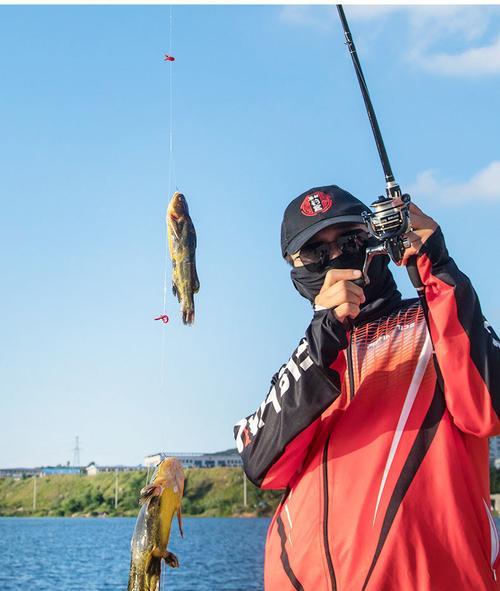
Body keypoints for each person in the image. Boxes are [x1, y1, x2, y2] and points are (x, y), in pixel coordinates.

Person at [234, 185, 500, 591]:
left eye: (350, 240)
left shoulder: (439, 322)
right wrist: (323, 335)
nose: (336, 258)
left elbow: (488, 409)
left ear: (376, 239)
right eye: (316, 254)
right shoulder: (307, 361)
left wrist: (439, 265)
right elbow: (261, 463)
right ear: (295, 269)